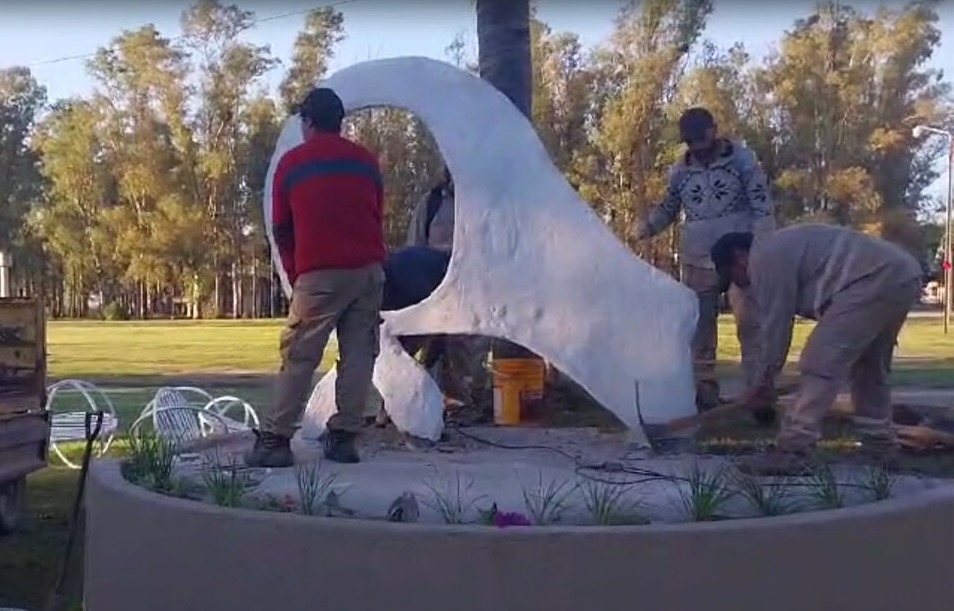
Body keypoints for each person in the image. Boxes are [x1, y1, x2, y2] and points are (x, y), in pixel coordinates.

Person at [245, 88, 386, 467]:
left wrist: (297, 275)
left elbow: (281, 228)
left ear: (308, 122)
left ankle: (276, 440)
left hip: (319, 274)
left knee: (300, 356)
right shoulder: (366, 162)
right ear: (338, 122)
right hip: (368, 272)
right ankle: (343, 439)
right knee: (359, 355)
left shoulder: (292, 164)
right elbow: (377, 214)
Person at [710, 225, 923, 475]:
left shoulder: (762, 259)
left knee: (819, 363)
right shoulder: (780, 247)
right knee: (869, 368)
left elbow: (776, 327)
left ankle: (793, 449)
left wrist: (763, 381)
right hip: (902, 273)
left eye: (733, 276)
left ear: (739, 255)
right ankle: (880, 449)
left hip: (870, 278)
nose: (740, 285)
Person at [633, 107, 776, 417]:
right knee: (700, 331)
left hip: (741, 257)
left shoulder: (743, 161)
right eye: (691, 142)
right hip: (698, 257)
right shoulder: (680, 171)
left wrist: (761, 248)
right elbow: (668, 208)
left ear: (714, 130)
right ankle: (704, 395)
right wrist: (647, 227)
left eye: (701, 138)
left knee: (751, 326)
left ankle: (758, 396)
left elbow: (762, 207)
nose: (697, 147)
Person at [406, 168, 490, 412]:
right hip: (432, 286)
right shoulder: (431, 203)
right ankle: (419, 403)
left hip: (471, 289)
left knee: (468, 349)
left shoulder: (484, 206)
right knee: (426, 347)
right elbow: (415, 245)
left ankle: (469, 403)